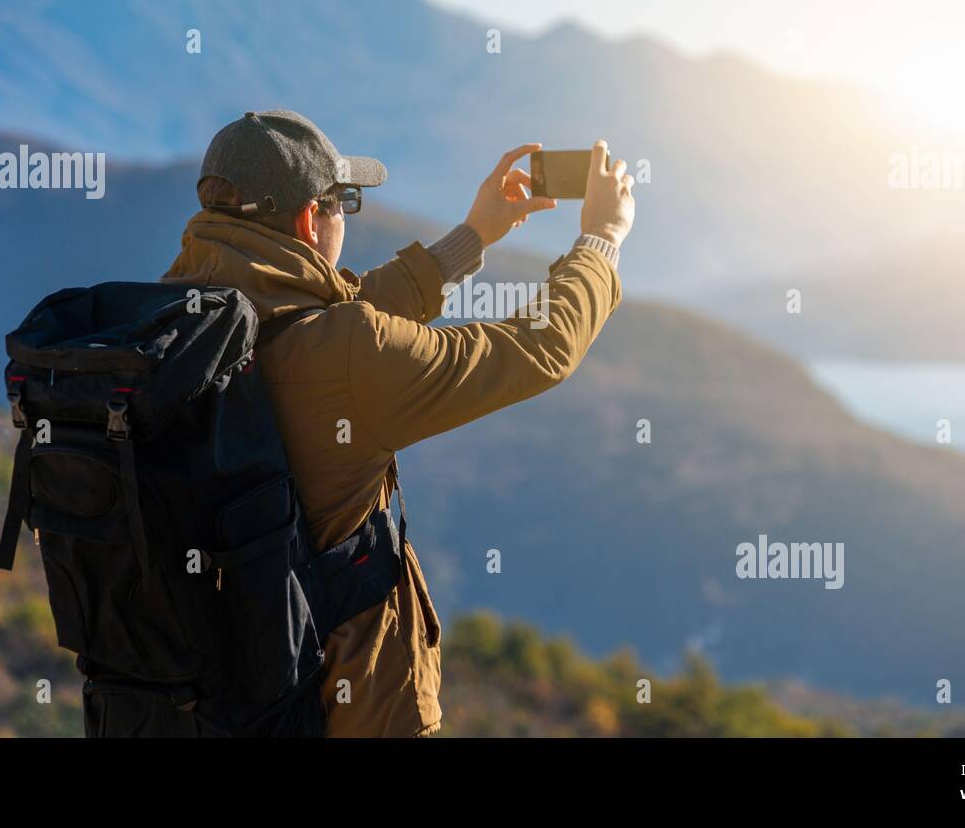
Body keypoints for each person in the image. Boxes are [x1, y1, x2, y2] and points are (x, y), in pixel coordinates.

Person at [161, 109, 635, 736]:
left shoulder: (178, 318)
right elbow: (534, 350)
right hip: (346, 710)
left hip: (198, 703)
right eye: (344, 202)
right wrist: (601, 241)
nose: (345, 220)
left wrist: (475, 237)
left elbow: (328, 319)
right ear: (310, 220)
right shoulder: (346, 353)